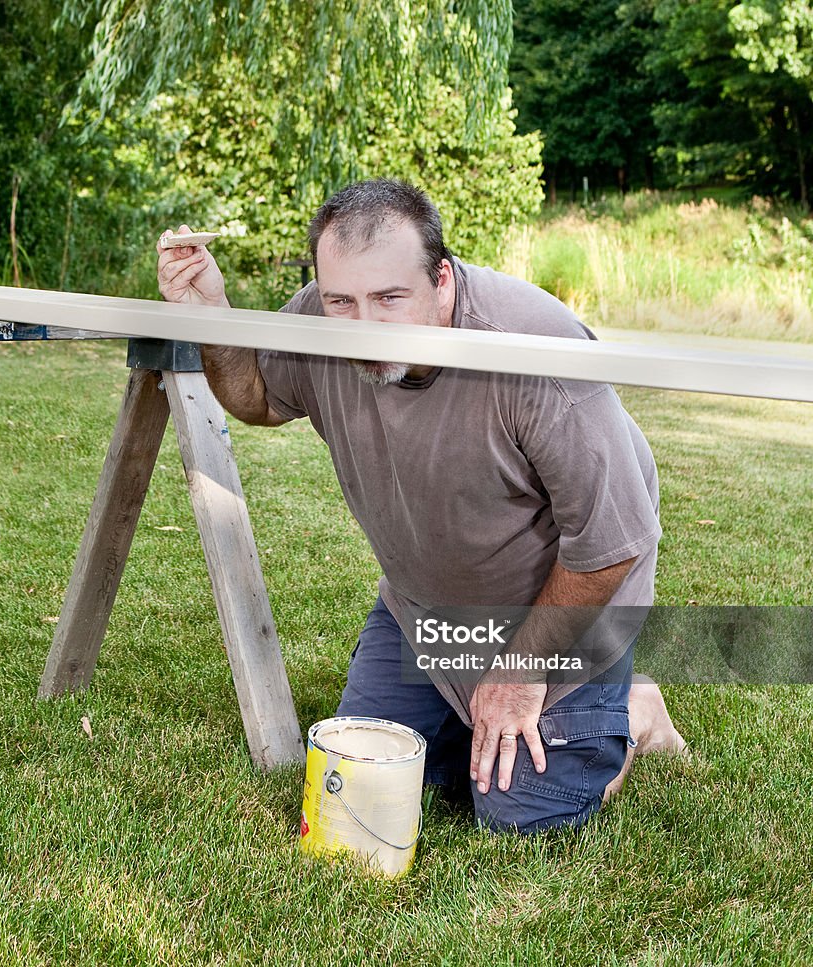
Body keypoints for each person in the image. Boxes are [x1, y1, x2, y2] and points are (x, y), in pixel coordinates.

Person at [156, 178, 687, 834]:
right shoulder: (322, 323)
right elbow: (260, 396)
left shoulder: (533, 352)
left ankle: (628, 714)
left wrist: (519, 671)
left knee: (520, 816)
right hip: (428, 614)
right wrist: (212, 315)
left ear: (441, 281)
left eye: (389, 299)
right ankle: (474, 716)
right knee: (362, 780)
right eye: (340, 301)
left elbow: (615, 541)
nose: (363, 327)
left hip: (570, 609)